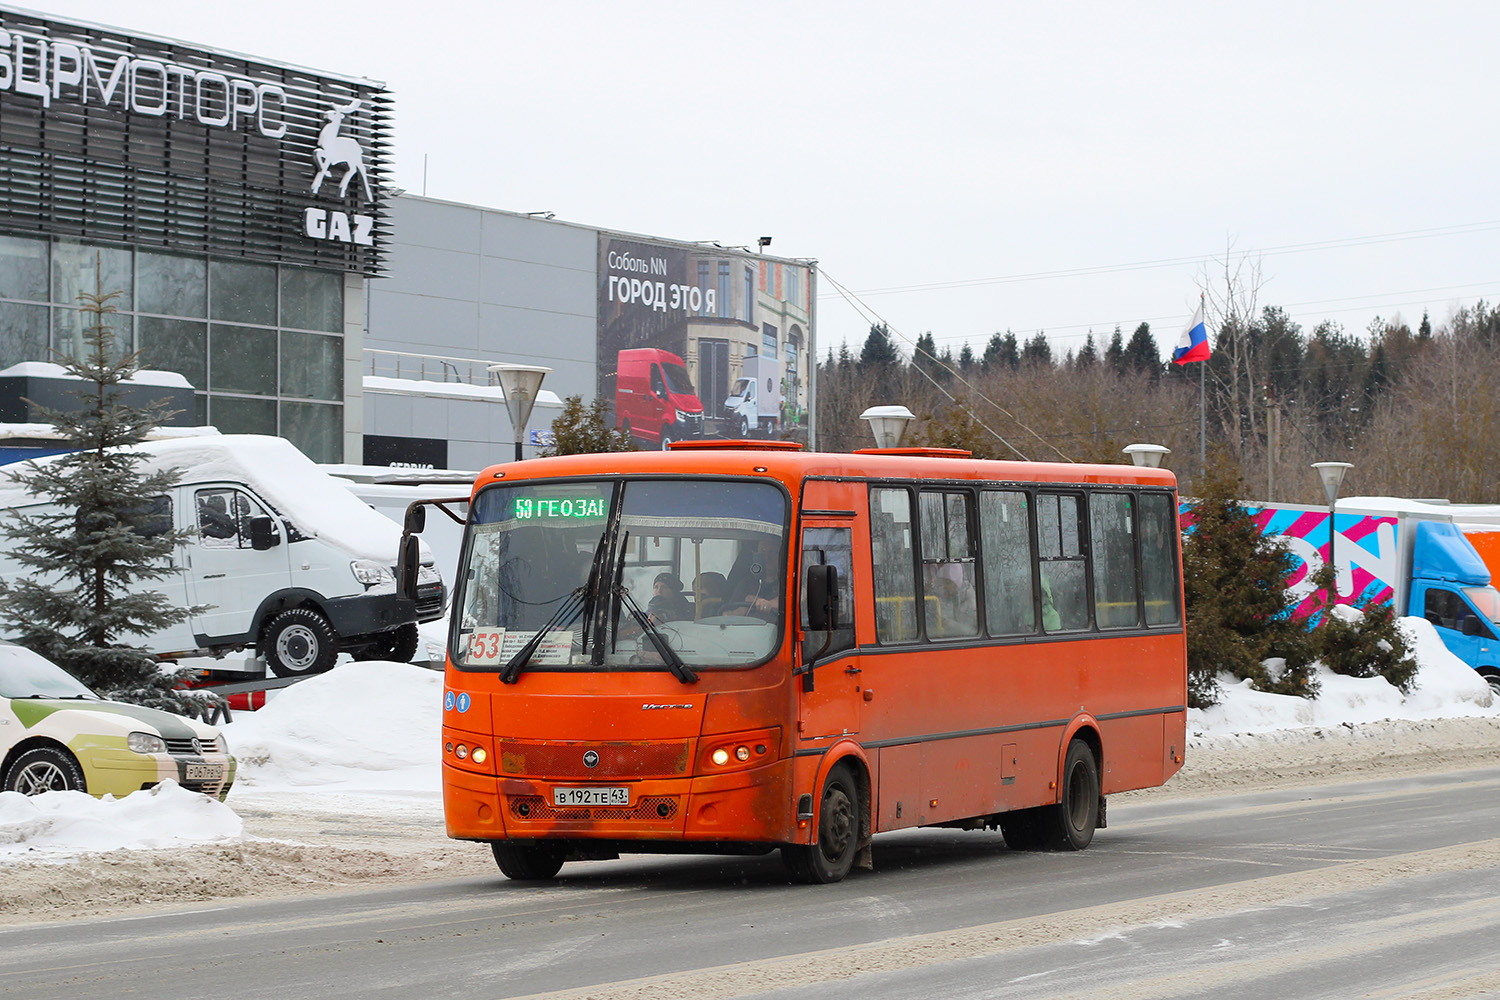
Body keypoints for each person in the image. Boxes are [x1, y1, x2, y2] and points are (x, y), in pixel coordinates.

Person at [727, 536, 780, 617]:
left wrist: (768, 604)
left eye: (773, 552)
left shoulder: (787, 582)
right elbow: (725, 616)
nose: (767, 557)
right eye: (763, 552)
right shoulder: (746, 584)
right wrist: (745, 607)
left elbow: (801, 596)